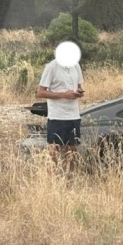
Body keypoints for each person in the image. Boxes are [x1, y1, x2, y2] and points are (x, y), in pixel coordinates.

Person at [36, 41, 84, 169]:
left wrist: (78, 93)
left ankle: (70, 178)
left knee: (72, 150)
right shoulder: (51, 67)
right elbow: (40, 92)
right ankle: (52, 178)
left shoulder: (76, 66)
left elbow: (79, 87)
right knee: (54, 150)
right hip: (57, 116)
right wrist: (63, 95)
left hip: (73, 114)